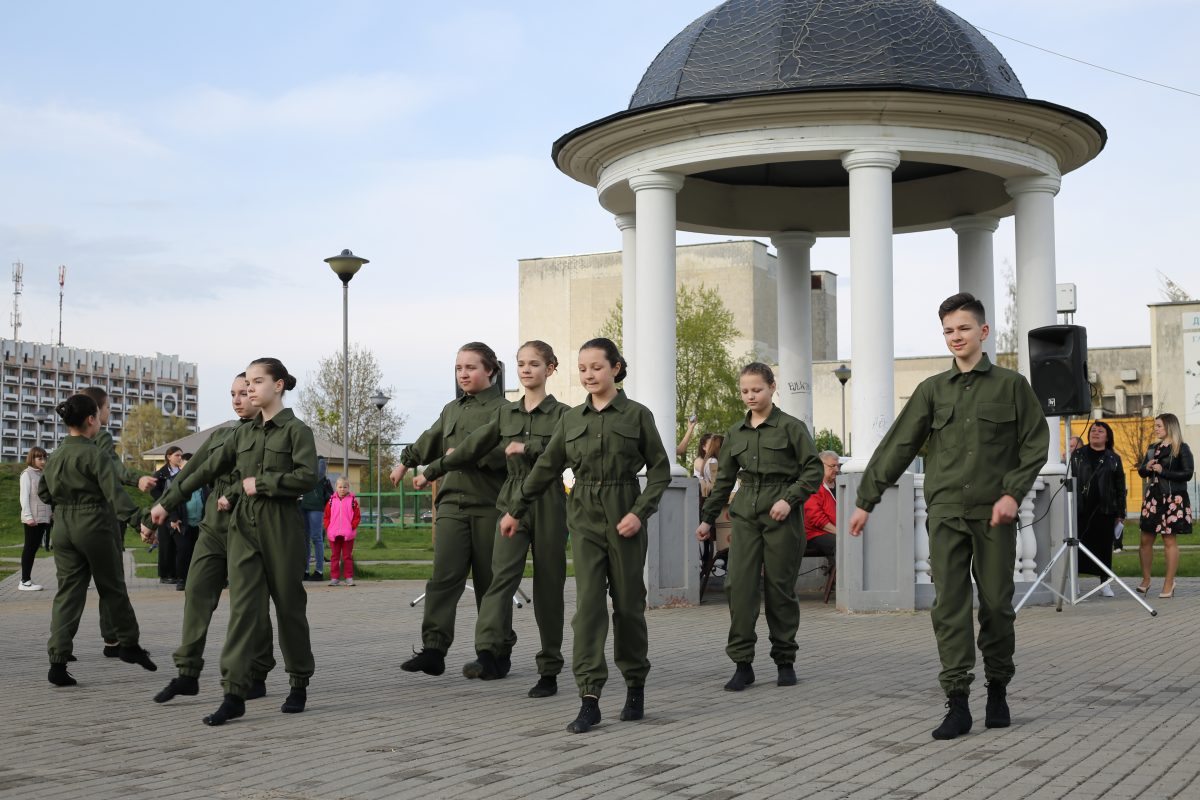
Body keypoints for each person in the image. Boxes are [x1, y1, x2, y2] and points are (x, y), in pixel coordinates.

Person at [848, 292, 1048, 741]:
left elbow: (1036, 443)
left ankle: (997, 689)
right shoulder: (931, 391)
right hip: (945, 515)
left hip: (993, 515)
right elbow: (898, 445)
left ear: (983, 331)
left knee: (996, 605)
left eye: (963, 328)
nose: (955, 337)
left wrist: (1013, 493)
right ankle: (957, 702)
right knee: (949, 608)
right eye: (948, 331)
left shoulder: (1011, 386)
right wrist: (866, 498)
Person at [500, 337, 671, 734]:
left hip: (624, 512)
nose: (589, 374)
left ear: (615, 368)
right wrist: (516, 510)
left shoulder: (637, 415)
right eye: (582, 368)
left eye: (596, 367)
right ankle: (589, 698)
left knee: (628, 606)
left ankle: (634, 686)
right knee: (588, 610)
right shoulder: (571, 420)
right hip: (584, 518)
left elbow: (661, 471)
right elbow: (545, 468)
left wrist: (639, 513)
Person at [150, 358, 317, 726]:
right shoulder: (241, 434)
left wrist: (265, 483)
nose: (250, 389)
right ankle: (234, 692)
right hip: (243, 528)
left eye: (257, 382)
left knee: (289, 608)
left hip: (281, 528)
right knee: (244, 611)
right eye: (248, 382)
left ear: (279, 386)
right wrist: (166, 502)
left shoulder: (297, 431)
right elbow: (206, 468)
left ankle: (299, 682)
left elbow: (307, 477)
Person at [415, 340, 570, 696]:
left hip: (547, 501)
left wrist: (528, 448)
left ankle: (548, 669)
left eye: (534, 363)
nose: (527, 369)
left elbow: (567, 455)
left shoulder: (565, 415)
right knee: (500, 580)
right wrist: (430, 470)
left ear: (550, 369)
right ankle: (488, 653)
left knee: (548, 589)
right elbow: (469, 449)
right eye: (521, 363)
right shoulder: (506, 415)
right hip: (511, 501)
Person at [696, 363, 823, 693]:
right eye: (745, 391)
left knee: (779, 589)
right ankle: (743, 664)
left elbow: (812, 472)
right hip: (747, 515)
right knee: (738, 586)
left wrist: (790, 499)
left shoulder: (791, 428)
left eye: (757, 389)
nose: (750, 396)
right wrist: (708, 519)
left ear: (771, 388)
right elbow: (724, 480)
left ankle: (785, 660)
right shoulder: (736, 432)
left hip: (782, 514)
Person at [151, 373, 276, 706]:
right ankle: (187, 672)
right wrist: (164, 504)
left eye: (245, 392)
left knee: (250, 605)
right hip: (212, 525)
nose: (237, 399)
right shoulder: (223, 434)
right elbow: (193, 474)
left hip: (250, 525)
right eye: (233, 394)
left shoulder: (272, 435)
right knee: (197, 591)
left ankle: (257, 671)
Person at [390, 342, 511, 677]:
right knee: (443, 579)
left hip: (489, 505)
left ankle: (493, 653)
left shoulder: (505, 411)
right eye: (459, 368)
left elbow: (504, 454)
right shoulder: (451, 410)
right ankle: (434, 649)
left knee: (491, 583)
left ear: (490, 370)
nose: (463, 374)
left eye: (471, 367)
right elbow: (430, 439)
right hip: (451, 505)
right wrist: (405, 463)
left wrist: (468, 454)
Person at [40, 393, 158, 686]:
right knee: (112, 587)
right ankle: (129, 645)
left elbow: (43, 493)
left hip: (63, 527)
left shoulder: (55, 455)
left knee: (68, 593)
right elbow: (115, 495)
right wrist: (140, 520)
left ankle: (57, 661)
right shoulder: (94, 453)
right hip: (94, 524)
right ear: (92, 420)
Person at [81, 385, 156, 656]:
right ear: (96, 411)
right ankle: (115, 640)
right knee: (112, 582)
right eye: (108, 407)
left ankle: (61, 648)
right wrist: (137, 478)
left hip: (74, 522)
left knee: (73, 587)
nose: (110, 412)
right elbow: (113, 469)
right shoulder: (100, 437)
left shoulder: (71, 440)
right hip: (102, 517)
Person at [1137, 413, 1194, 598]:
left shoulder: (1181, 448)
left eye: (1159, 426)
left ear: (1169, 427)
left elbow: (1187, 474)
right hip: (1153, 497)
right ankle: (1146, 580)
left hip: (1173, 498)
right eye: (1156, 426)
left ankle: (1169, 583)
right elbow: (1141, 471)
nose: (1156, 429)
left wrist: (1164, 471)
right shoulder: (1153, 448)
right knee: (1145, 540)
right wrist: (1147, 467)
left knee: (1169, 540)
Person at [1070, 421, 1126, 597]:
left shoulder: (1113, 459)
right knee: (1078, 547)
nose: (1095, 433)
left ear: (1107, 436)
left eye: (1100, 431)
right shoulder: (1077, 455)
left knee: (1103, 548)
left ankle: (1105, 583)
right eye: (1093, 430)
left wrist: (1121, 514)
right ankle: (1075, 583)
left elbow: (1120, 487)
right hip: (1081, 510)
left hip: (1105, 510)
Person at [151, 446, 185, 584]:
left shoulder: (183, 471)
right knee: (166, 543)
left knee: (179, 544)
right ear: (169, 456)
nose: (180, 458)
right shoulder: (160, 474)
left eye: (181, 456)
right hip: (164, 510)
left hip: (180, 509)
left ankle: (178, 573)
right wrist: (164, 503)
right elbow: (154, 491)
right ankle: (165, 574)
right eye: (177, 455)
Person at [18, 447, 50, 591]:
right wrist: (28, 516)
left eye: (44, 458)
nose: (43, 461)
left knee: (34, 548)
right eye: (39, 458)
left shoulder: (43, 474)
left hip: (43, 517)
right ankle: (24, 581)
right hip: (33, 518)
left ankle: (27, 579)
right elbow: (24, 497)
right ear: (32, 458)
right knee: (30, 548)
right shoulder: (27, 474)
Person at [300, 457, 333, 581]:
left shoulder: (319, 459)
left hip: (315, 505)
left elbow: (318, 474)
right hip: (301, 504)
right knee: (305, 539)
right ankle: (305, 570)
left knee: (316, 537)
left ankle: (319, 571)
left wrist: (302, 474)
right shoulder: (300, 458)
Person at [804, 450, 841, 559]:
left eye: (838, 466)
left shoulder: (840, 485)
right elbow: (817, 519)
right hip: (816, 534)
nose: (837, 469)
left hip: (835, 531)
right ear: (821, 466)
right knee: (841, 545)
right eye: (832, 466)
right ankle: (843, 575)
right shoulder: (813, 486)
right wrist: (840, 533)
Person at [324, 477, 361, 586]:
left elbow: (357, 516)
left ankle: (348, 577)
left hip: (348, 534)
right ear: (336, 487)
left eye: (345, 487)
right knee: (334, 556)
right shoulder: (331, 501)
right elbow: (326, 516)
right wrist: (328, 527)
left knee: (347, 556)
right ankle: (334, 578)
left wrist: (352, 527)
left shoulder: (353, 501)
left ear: (348, 488)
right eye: (340, 487)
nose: (342, 489)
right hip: (333, 534)